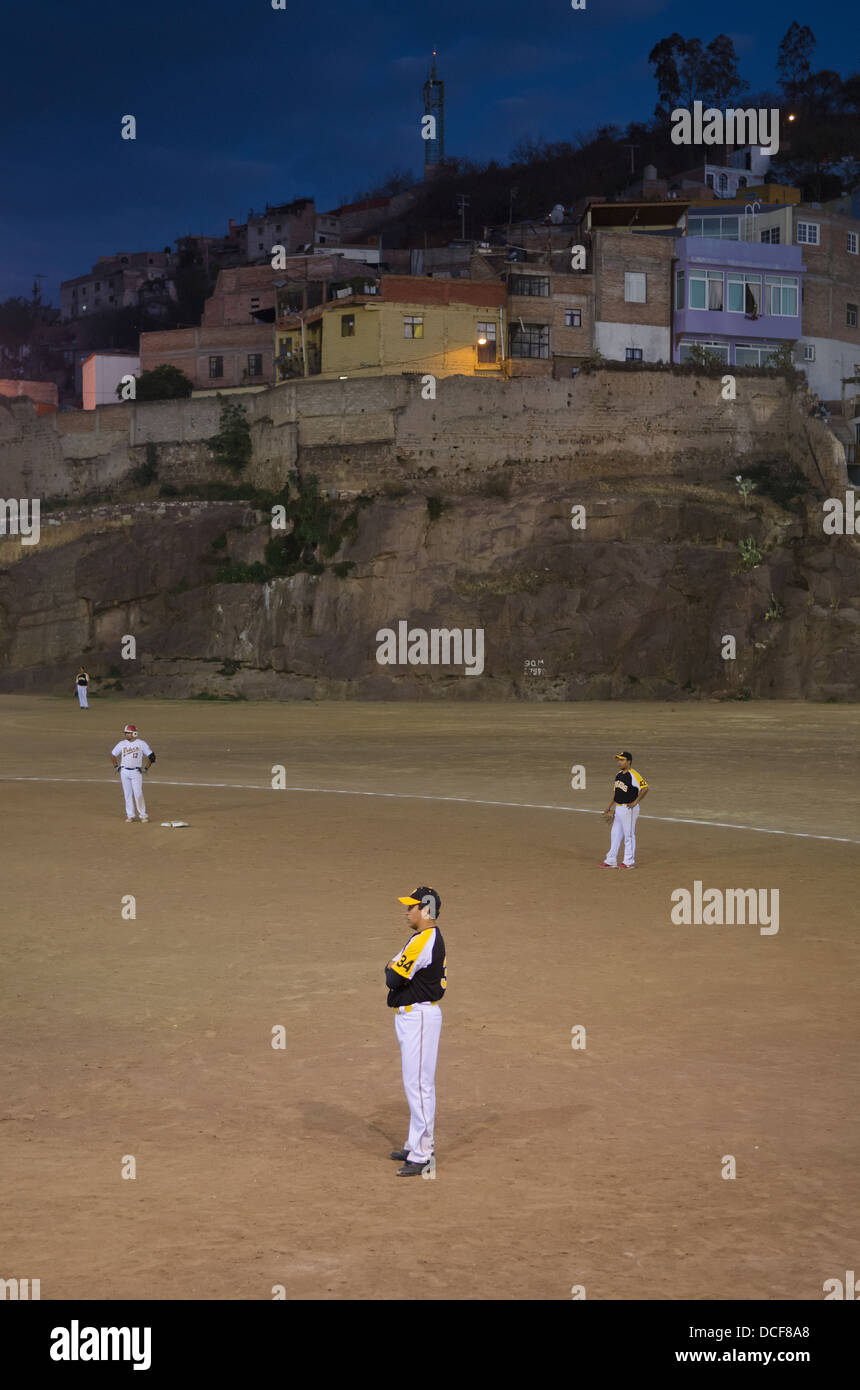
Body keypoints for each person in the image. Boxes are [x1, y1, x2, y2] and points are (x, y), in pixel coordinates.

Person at [385, 887, 446, 1176]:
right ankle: (414, 1143)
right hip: (413, 1017)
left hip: (419, 1017)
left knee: (419, 1085)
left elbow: (393, 975)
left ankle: (423, 1154)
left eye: (412, 907)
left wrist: (391, 967)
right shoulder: (421, 938)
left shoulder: (424, 940)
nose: (407, 911)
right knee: (416, 1083)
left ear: (427, 910)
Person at [601, 751, 649, 869]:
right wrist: (609, 806)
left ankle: (628, 861)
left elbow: (645, 788)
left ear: (629, 762)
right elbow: (615, 791)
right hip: (619, 808)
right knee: (615, 833)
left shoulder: (634, 775)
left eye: (622, 760)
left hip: (629, 809)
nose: (619, 762)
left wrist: (635, 801)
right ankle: (611, 859)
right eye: (619, 760)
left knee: (629, 835)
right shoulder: (618, 775)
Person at [110, 724, 154, 823]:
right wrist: (116, 766)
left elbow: (152, 756)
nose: (126, 734)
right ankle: (130, 815)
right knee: (127, 794)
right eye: (126, 733)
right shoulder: (122, 744)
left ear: (134, 733)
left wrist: (146, 768)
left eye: (128, 733)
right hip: (124, 771)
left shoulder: (141, 744)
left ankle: (143, 815)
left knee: (138, 793)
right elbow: (113, 755)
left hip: (136, 772)